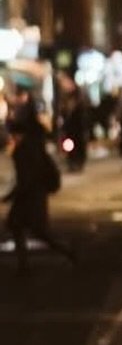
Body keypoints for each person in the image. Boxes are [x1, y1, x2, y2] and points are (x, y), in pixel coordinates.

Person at [4, 105, 73, 270]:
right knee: (19, 226)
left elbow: (26, 177)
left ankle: (67, 252)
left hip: (30, 196)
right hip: (32, 194)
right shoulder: (31, 146)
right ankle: (24, 264)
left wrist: (12, 195)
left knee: (36, 231)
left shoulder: (23, 150)